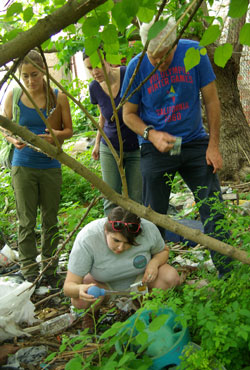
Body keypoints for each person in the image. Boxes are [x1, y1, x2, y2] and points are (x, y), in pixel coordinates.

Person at [121, 17, 232, 277]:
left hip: (193, 141)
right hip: (157, 146)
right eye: (153, 56)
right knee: (153, 215)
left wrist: (213, 146)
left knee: (212, 206)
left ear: (175, 44)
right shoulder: (136, 68)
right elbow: (128, 115)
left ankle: (227, 272)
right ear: (145, 48)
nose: (159, 63)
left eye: (165, 56)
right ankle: (154, 275)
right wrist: (151, 134)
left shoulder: (194, 52)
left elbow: (212, 101)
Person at [3, 50, 73, 285]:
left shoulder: (57, 97)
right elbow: (4, 125)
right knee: (26, 220)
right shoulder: (13, 95)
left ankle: (51, 269)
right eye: (25, 76)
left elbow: (68, 130)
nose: (31, 81)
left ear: (43, 70)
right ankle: (30, 271)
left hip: (50, 165)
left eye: (34, 74)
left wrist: (55, 136)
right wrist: (14, 140)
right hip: (23, 166)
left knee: (50, 219)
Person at [63, 206, 180, 318]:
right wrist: (79, 289)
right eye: (116, 240)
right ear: (105, 230)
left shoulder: (148, 229)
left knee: (170, 277)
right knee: (80, 300)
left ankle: (143, 303)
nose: (120, 248)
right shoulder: (88, 237)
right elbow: (68, 287)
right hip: (104, 286)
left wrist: (154, 263)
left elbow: (163, 251)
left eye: (128, 243)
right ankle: (91, 315)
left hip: (141, 281)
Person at [83, 52, 142, 216]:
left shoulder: (127, 74)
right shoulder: (94, 87)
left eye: (98, 64)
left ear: (108, 60)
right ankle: (112, 235)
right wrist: (96, 143)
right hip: (109, 146)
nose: (94, 71)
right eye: (89, 68)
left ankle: (133, 234)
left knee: (136, 198)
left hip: (135, 145)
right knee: (110, 196)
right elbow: (103, 115)